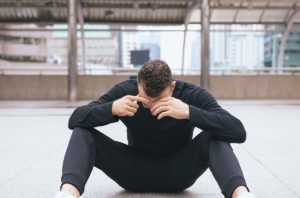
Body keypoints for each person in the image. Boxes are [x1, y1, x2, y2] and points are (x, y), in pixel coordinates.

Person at [55, 60, 254, 198]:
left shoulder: (192, 95)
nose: (150, 105)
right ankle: (68, 193)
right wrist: (111, 109)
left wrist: (189, 112)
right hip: (133, 172)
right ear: (138, 84)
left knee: (215, 134)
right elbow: (75, 119)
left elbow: (238, 131)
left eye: (159, 100)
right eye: (145, 98)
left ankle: (241, 194)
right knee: (83, 132)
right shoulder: (126, 91)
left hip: (179, 172)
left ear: (173, 87)